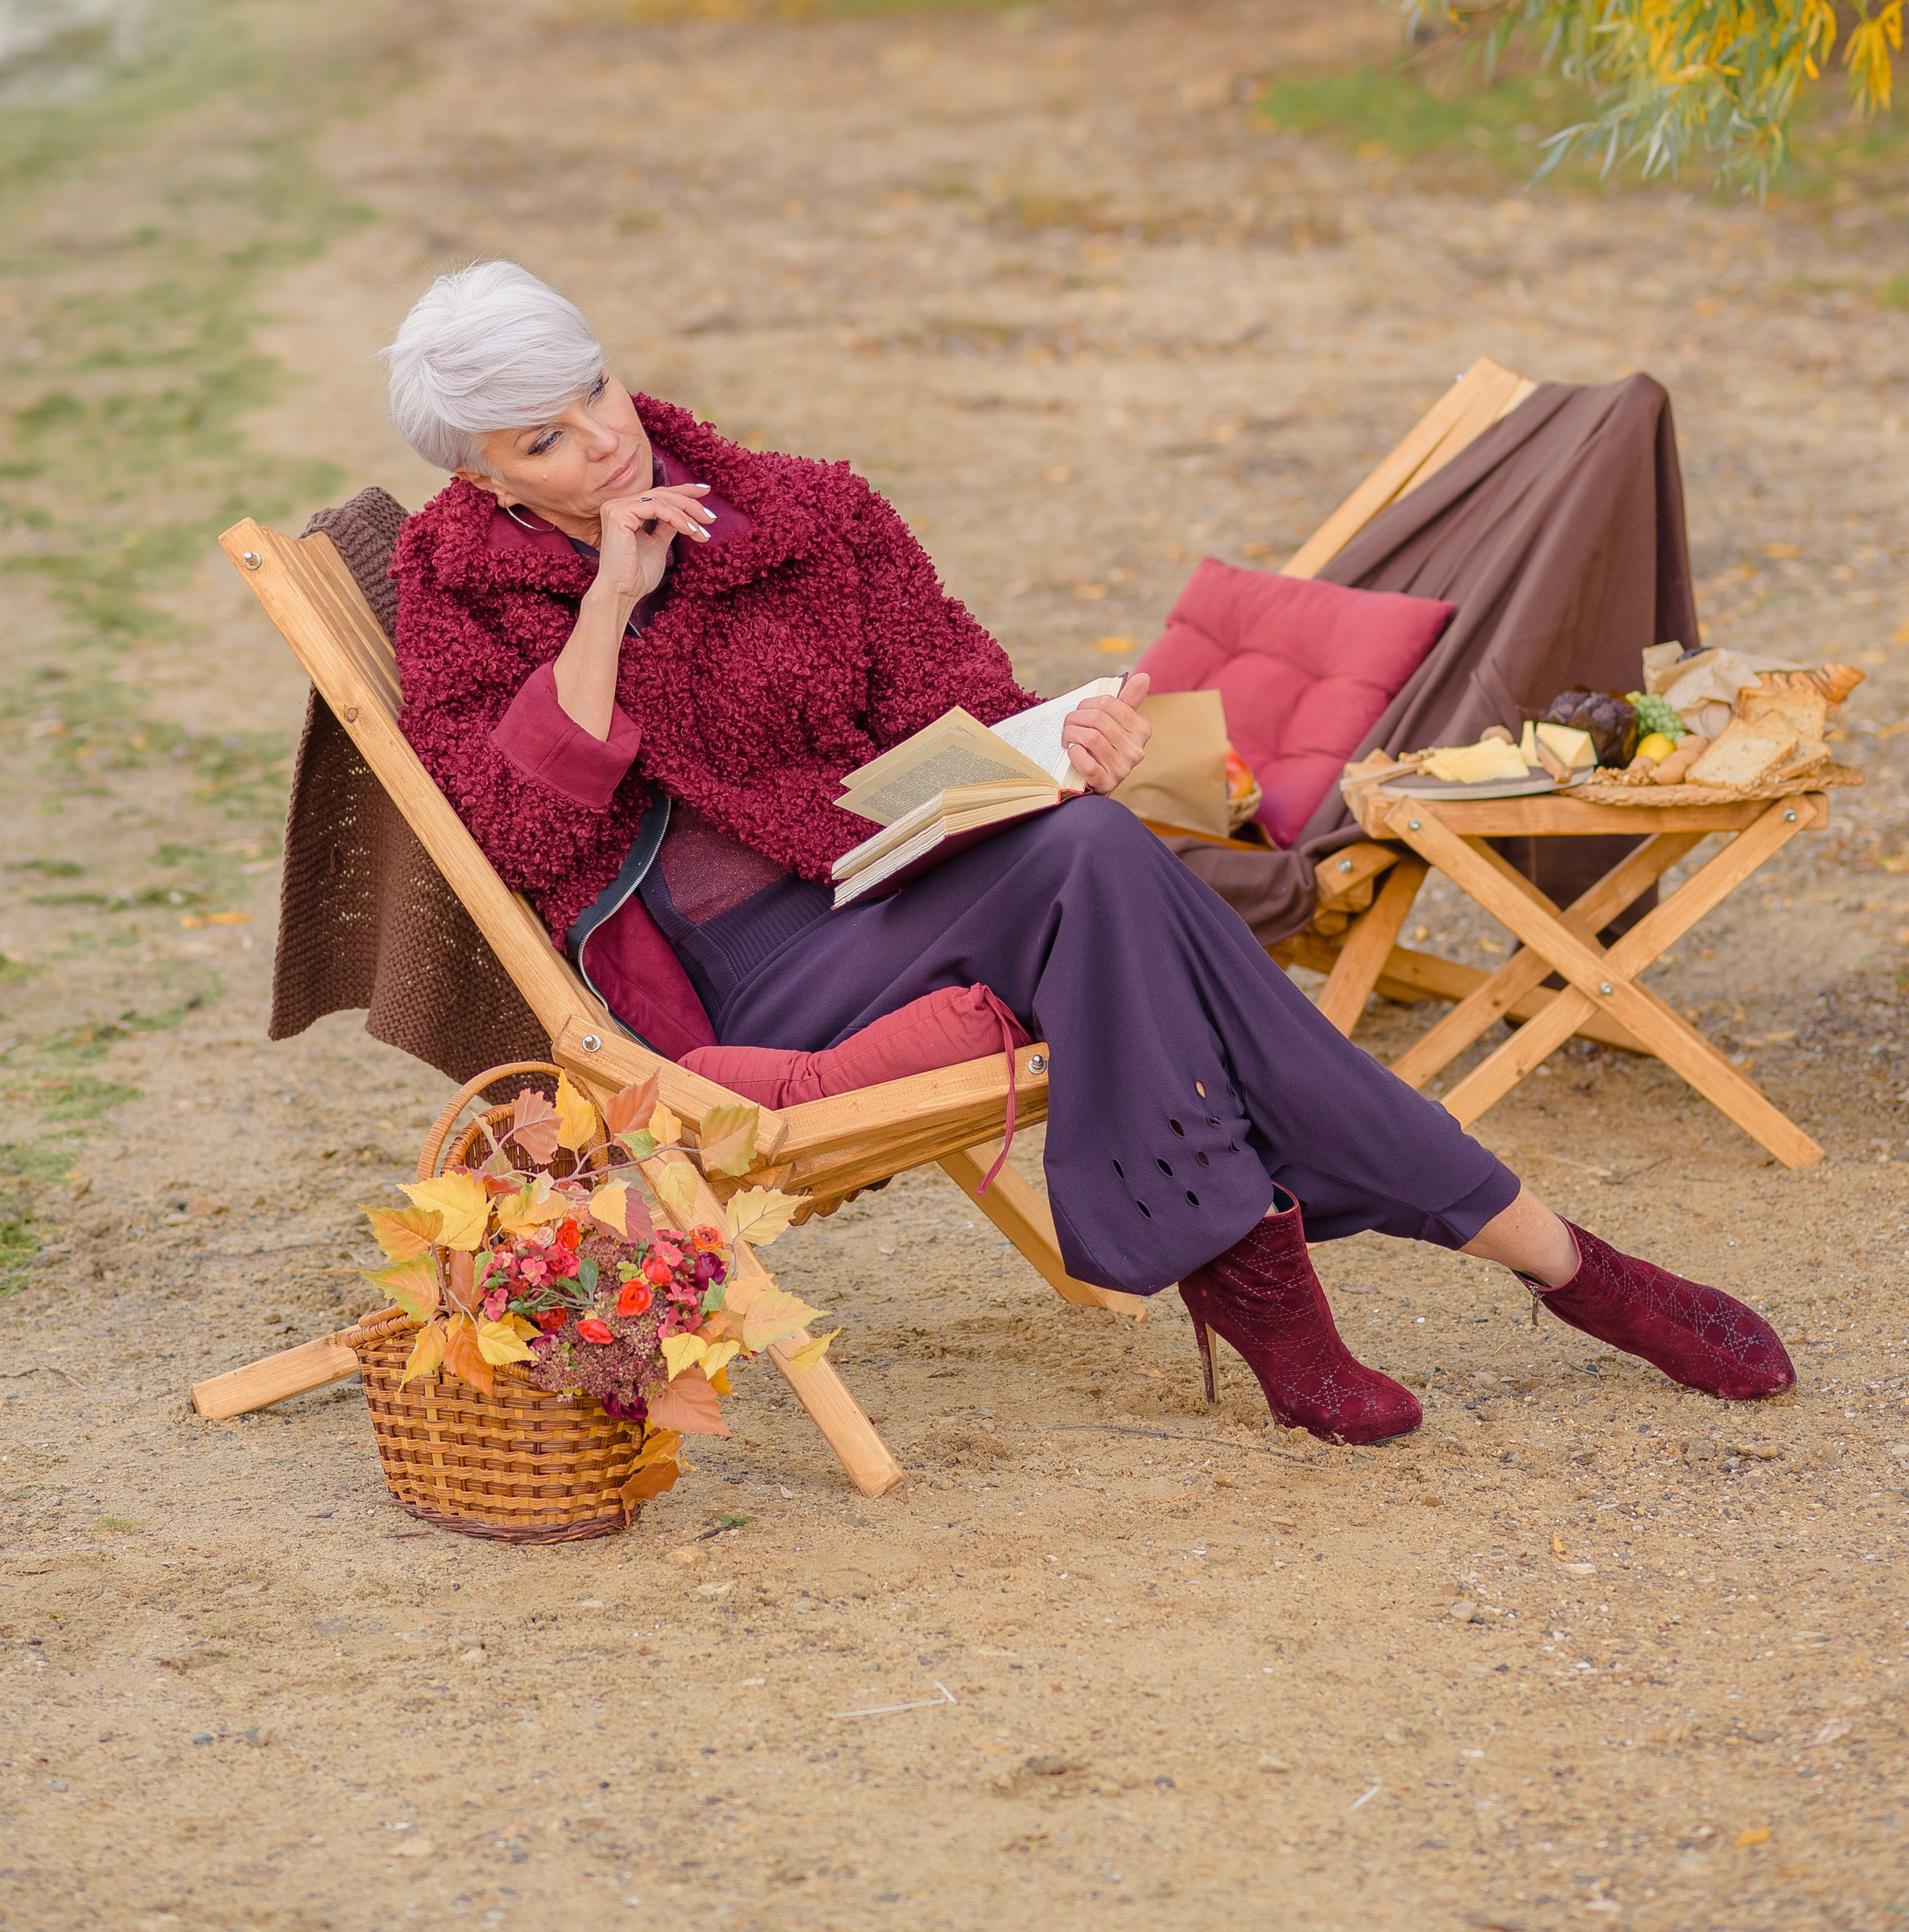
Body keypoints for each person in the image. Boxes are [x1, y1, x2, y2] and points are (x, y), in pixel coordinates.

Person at [382, 259, 1794, 1444]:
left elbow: (970, 700)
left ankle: (1272, 1285)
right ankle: (1553, 1262)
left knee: (1096, 839)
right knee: (1104, 870)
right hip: (743, 974)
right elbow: (518, 835)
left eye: (592, 393)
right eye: (541, 442)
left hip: (899, 879)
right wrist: (610, 606)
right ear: (488, 478)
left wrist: (1063, 745)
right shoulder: (459, 592)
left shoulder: (812, 512)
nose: (597, 440)